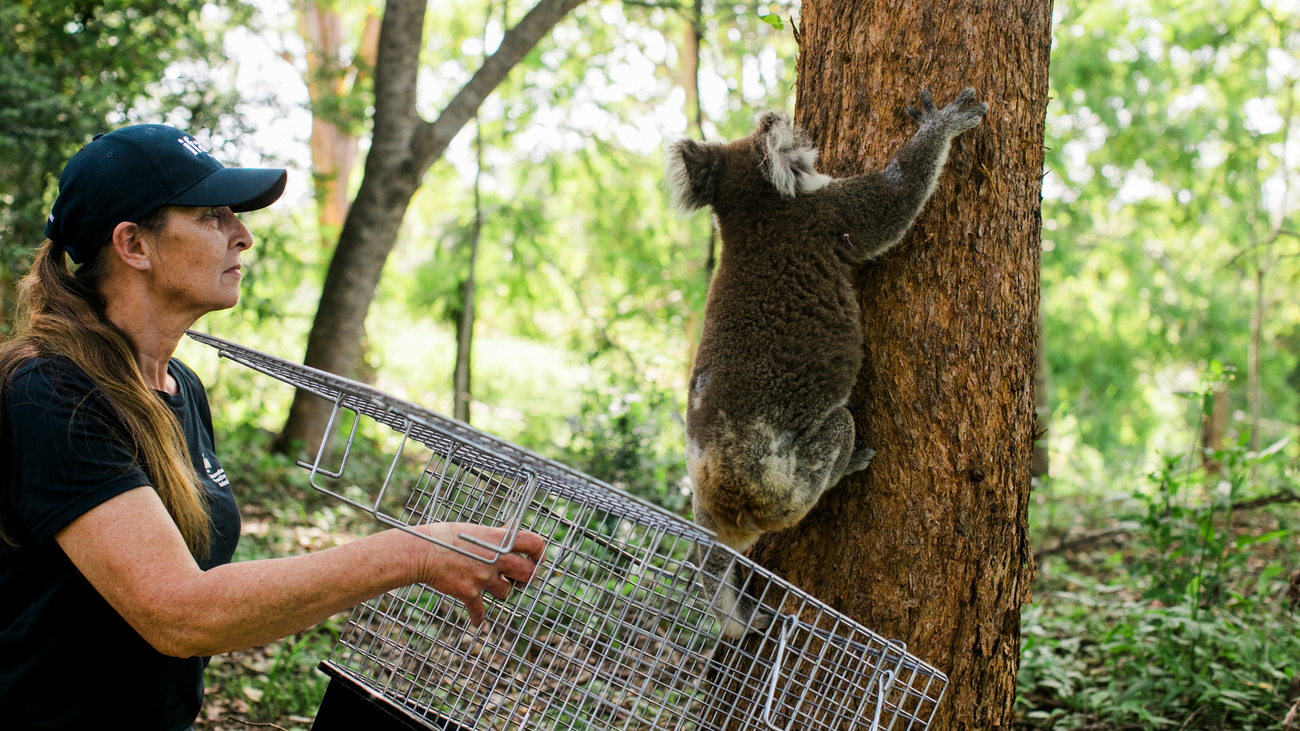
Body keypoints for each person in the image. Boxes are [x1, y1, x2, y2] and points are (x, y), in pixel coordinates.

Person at [0, 125, 546, 730]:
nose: (244, 237)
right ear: (133, 244)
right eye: (212, 217)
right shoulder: (52, 394)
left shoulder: (179, 387)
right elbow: (180, 613)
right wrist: (408, 553)